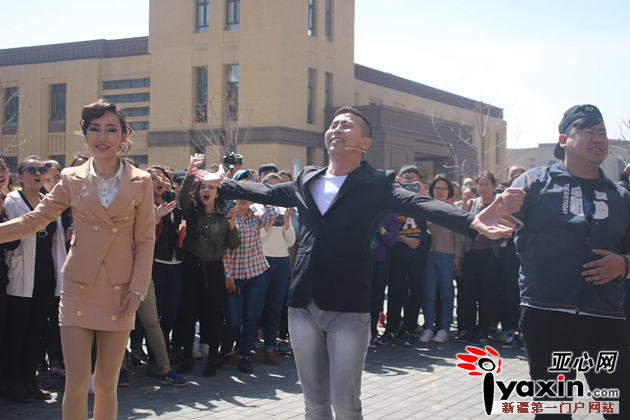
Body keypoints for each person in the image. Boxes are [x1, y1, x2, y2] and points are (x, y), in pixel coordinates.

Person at [193, 106, 518, 420]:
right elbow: (266, 192)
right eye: (334, 124)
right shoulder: (308, 178)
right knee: (314, 405)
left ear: (365, 143)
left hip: (348, 307)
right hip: (303, 304)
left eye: (346, 125)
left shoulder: (377, 184)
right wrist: (223, 184)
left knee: (346, 405)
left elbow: (421, 204)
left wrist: (471, 220)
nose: (337, 128)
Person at [0, 99, 155, 420]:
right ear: (85, 135)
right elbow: (34, 219)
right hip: (77, 288)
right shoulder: (70, 177)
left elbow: (145, 240)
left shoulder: (141, 180)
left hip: (121, 291)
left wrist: (137, 290)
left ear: (124, 136)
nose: (102, 137)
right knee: (77, 381)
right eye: (94, 129)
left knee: (107, 383)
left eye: (111, 129)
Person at [507, 105, 630, 417]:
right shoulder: (533, 182)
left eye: (602, 132)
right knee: (553, 409)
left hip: (604, 317)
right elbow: (493, 227)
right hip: (546, 315)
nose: (597, 138)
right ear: (563, 139)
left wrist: (624, 265)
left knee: (619, 406)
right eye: (587, 131)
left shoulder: (620, 196)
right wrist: (497, 211)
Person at [0, 156, 68, 402]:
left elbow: (56, 242)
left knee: (36, 332)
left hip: (45, 276)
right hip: (19, 276)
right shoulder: (11, 201)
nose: (38, 173)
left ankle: (30, 378)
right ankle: (12, 381)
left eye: (41, 170)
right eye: (31, 170)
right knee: (16, 332)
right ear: (20, 177)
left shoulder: (49, 202)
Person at [175, 154, 240, 377]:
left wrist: (232, 225)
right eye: (202, 187)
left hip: (214, 269)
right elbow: (183, 195)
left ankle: (212, 358)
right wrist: (190, 170)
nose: (206, 191)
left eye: (211, 187)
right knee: (188, 314)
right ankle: (187, 358)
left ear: (217, 193)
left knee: (212, 316)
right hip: (191, 267)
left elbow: (234, 244)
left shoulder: (225, 216)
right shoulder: (191, 211)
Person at [378, 165, 429, 347]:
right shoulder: (394, 199)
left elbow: (434, 212)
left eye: (413, 178)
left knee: (415, 292)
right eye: (406, 178)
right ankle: (391, 329)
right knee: (394, 292)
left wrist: (423, 192)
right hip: (398, 252)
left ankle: (410, 330)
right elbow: (389, 228)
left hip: (418, 253)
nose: (409, 181)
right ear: (400, 180)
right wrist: (404, 240)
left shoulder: (421, 200)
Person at [457, 171, 502, 345]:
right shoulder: (472, 203)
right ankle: (469, 329)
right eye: (481, 184)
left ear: (493, 186)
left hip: (490, 254)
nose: (483, 188)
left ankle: (484, 331)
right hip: (471, 253)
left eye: (487, 184)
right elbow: (464, 226)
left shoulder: (499, 205)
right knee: (468, 293)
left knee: (487, 294)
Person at [421, 175, 465, 344]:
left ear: (449, 191)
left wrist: (458, 256)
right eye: (437, 188)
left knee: (447, 294)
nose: (440, 191)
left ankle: (445, 329)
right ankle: (428, 328)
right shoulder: (426, 208)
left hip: (448, 255)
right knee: (428, 294)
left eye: (444, 188)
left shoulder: (453, 209)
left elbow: (460, 235)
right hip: (429, 255)